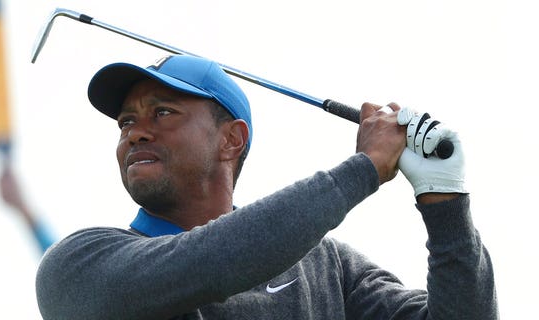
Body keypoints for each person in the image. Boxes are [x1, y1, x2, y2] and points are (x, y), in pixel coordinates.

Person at [35, 55, 498, 319]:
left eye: (162, 113)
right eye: (126, 122)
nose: (135, 132)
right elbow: (216, 261)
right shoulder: (78, 266)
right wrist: (364, 168)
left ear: (231, 140)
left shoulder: (327, 265)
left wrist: (446, 203)